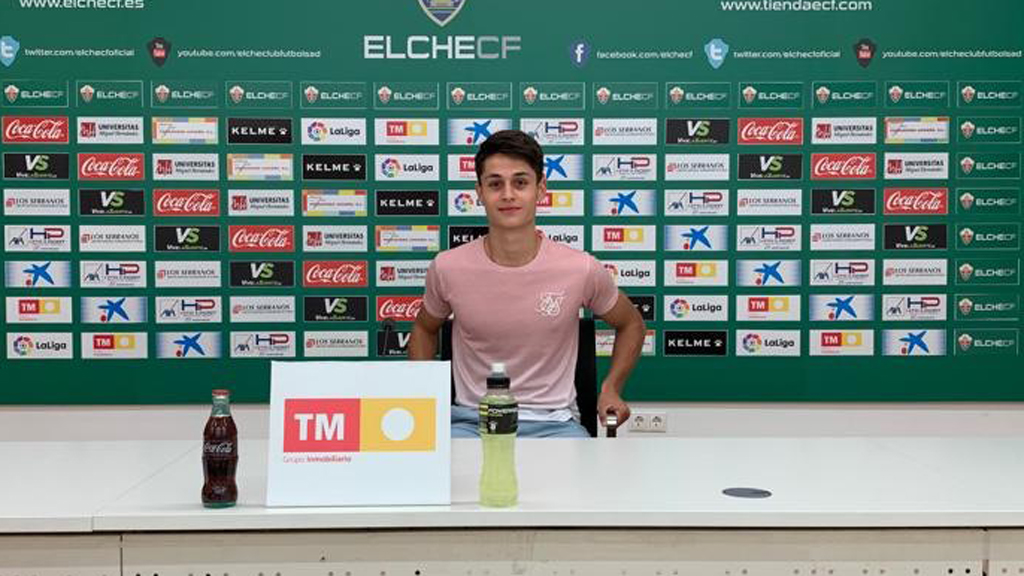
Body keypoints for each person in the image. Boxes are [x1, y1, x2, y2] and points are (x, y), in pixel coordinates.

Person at [407, 129, 646, 438]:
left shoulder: (580, 268)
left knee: (584, 485)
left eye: (520, 182)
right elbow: (425, 328)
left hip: (555, 425)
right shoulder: (447, 267)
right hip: (470, 424)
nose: (508, 194)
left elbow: (631, 324)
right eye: (495, 184)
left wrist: (611, 388)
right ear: (479, 192)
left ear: (540, 189)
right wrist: (424, 399)